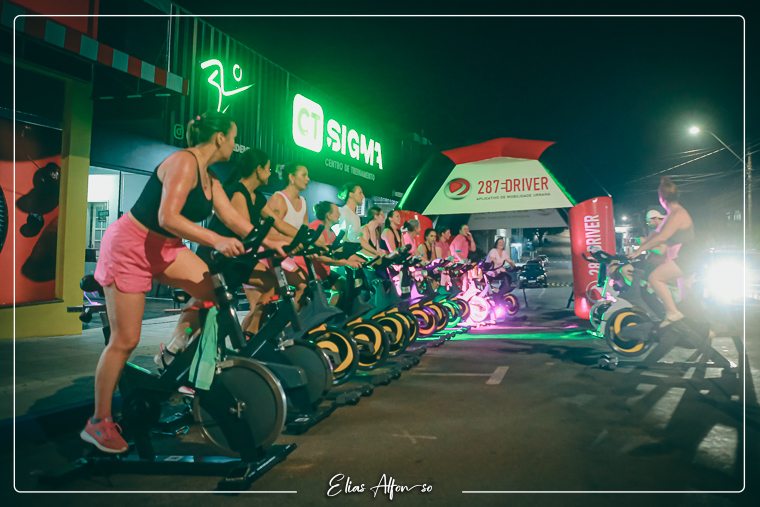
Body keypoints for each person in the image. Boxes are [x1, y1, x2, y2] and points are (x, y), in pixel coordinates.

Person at [84, 112, 283, 454]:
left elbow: (235, 220)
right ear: (219, 137)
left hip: (166, 249)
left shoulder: (210, 178)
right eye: (233, 137)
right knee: (125, 339)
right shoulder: (183, 162)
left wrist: (272, 244)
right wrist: (215, 239)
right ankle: (98, 422)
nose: (235, 145)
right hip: (130, 246)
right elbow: (168, 216)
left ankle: (182, 361)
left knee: (217, 293)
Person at [629, 177, 701, 327]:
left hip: (689, 256)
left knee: (655, 278)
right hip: (688, 255)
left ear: (661, 197)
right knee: (687, 296)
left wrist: (639, 250)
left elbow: (662, 237)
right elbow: (656, 235)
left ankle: (673, 313)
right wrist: (642, 245)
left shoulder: (677, 214)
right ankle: (699, 329)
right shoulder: (672, 213)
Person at [310, 201, 365, 305]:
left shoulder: (331, 233)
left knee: (343, 284)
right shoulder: (316, 227)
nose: (339, 214)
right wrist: (347, 263)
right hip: (311, 272)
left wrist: (365, 260)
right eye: (336, 212)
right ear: (328, 215)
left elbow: (339, 253)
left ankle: (332, 311)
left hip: (323, 271)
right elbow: (321, 257)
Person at [337, 182, 378, 257]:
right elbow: (343, 240)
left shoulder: (355, 216)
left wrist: (376, 253)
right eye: (360, 193)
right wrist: (368, 256)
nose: (363, 196)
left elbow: (358, 239)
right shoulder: (344, 213)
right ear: (351, 195)